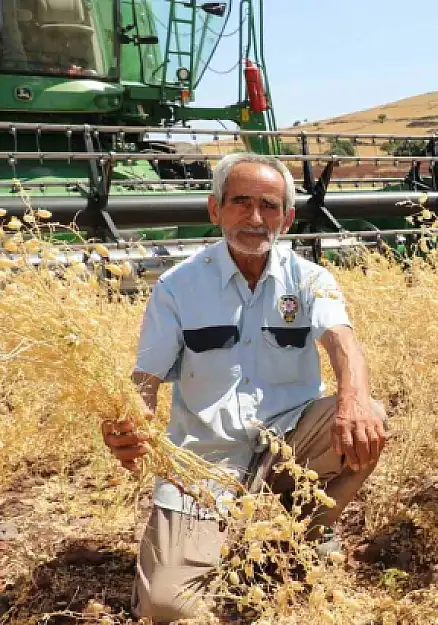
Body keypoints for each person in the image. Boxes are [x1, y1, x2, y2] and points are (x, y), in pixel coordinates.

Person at [101, 152, 389, 623]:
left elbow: (343, 343)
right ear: (215, 209)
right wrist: (132, 419)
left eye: (269, 206)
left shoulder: (311, 279)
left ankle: (296, 535)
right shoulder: (177, 288)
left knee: (369, 419)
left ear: (288, 217)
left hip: (288, 447)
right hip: (204, 465)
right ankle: (232, 539)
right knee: (166, 607)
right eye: (241, 202)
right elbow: (145, 379)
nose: (255, 219)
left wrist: (353, 400)